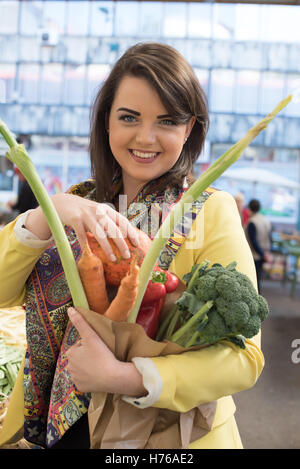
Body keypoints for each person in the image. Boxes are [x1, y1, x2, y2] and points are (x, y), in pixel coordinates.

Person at [0, 42, 264, 450]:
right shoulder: (74, 205)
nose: (146, 137)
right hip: (57, 431)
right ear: (107, 122)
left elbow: (245, 356)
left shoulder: (209, 210)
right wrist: (46, 213)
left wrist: (127, 377)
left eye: (167, 121)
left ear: (189, 128)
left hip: (166, 437)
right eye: (129, 117)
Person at [245, 199, 272, 293]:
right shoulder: (265, 219)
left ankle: (257, 296)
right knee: (258, 277)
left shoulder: (252, 222)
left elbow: (253, 241)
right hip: (264, 252)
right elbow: (270, 237)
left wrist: (262, 253)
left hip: (255, 255)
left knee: (254, 279)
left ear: (249, 208)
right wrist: (267, 253)